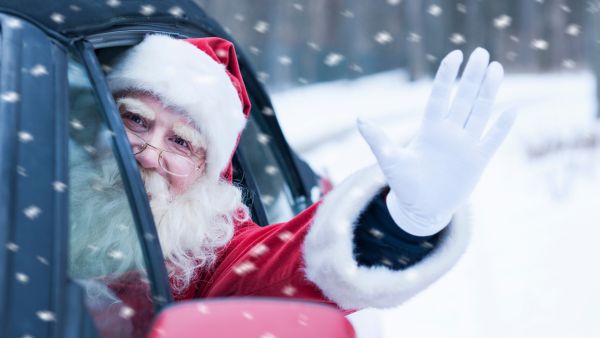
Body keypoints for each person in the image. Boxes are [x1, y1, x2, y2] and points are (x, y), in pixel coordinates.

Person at [69, 34, 514, 334]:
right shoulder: (25, 175)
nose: (148, 153)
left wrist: (400, 223)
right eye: (135, 119)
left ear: (208, 169)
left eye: (181, 142)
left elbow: (287, 266)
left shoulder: (210, 250)